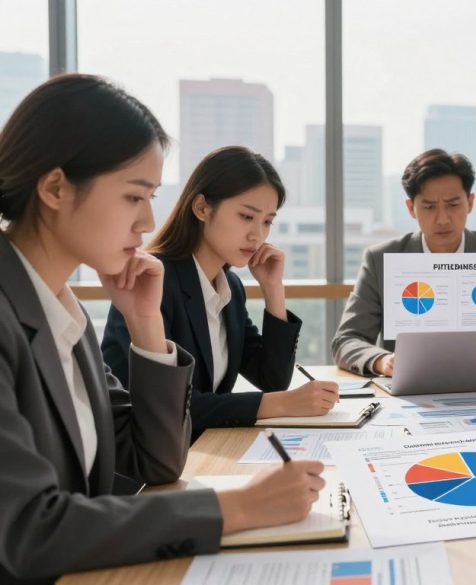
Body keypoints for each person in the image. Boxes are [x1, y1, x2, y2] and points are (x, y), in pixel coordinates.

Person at [0, 74, 323, 583]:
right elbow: (28, 532)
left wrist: (146, 324)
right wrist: (237, 510)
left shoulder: (62, 313)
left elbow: (156, 461)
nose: (148, 221)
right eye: (134, 197)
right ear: (56, 187)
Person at [102, 146, 339, 442]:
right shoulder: (152, 282)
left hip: (200, 450)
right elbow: (161, 406)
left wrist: (273, 290)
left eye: (267, 221)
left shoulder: (229, 289)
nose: (258, 235)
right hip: (142, 468)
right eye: (246, 216)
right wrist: (281, 404)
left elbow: (272, 380)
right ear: (202, 208)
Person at [331, 148, 476, 376]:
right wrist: (382, 360)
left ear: (470, 202)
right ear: (411, 208)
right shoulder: (381, 260)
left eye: (453, 204)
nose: (443, 218)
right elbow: (346, 340)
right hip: (410, 393)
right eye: (429, 207)